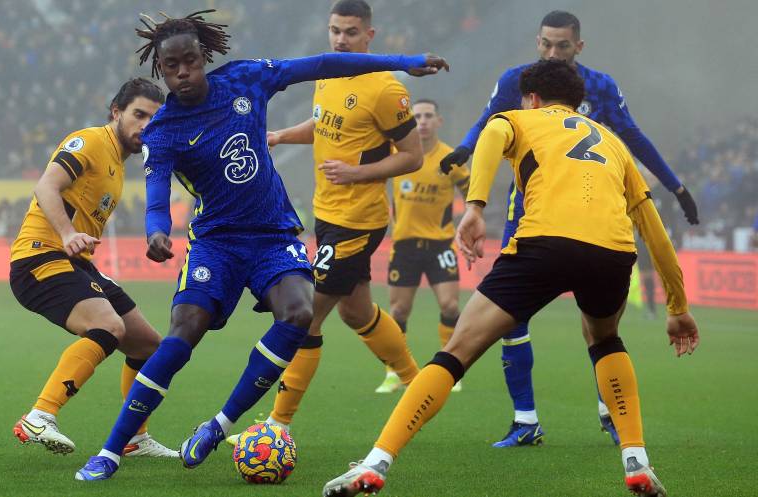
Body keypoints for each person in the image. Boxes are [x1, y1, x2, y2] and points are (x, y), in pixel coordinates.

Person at [74, 8, 448, 481]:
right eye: (173, 67)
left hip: (273, 236)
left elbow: (319, 65)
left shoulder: (246, 79)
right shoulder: (163, 130)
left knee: (298, 314)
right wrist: (156, 231)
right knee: (183, 332)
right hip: (216, 243)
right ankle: (110, 450)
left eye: (190, 60)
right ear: (161, 70)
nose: (184, 72)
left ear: (202, 56)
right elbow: (155, 195)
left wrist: (404, 60)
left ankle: (219, 424)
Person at [322, 59, 700, 497]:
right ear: (578, 101)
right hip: (613, 253)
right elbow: (653, 226)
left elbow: (491, 136)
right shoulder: (614, 144)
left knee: (456, 351)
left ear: (532, 98)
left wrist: (476, 207)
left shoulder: (519, 118)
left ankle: (376, 463)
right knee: (605, 339)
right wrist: (678, 307)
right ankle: (636, 461)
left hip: (544, 244)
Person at [439, 10, 700, 447]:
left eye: (562, 45)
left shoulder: (599, 87)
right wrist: (464, 149)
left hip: (591, 212)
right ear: (537, 42)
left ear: (579, 47)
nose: (553, 53)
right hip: (527, 210)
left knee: (599, 322)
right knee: (510, 319)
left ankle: (611, 413)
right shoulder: (516, 80)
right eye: (545, 44)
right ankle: (525, 421)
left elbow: (633, 136)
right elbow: (489, 123)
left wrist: (676, 186)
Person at [229, 0, 430, 441]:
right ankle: (418, 383)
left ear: (370, 37)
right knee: (357, 311)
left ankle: (276, 426)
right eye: (336, 30)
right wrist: (284, 135)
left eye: (352, 32)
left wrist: (357, 173)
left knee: (306, 317)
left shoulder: (386, 89)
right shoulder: (328, 73)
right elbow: (325, 125)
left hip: (358, 221)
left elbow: (414, 157)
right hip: (328, 214)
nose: (341, 39)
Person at [9, 78, 177, 457]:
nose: (145, 126)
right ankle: (40, 415)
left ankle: (134, 439)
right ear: (116, 112)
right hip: (40, 256)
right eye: (138, 115)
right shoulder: (89, 140)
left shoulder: (117, 162)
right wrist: (68, 234)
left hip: (77, 263)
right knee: (108, 326)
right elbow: (46, 187)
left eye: (154, 118)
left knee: (148, 344)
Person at [375, 98, 469, 394]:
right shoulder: (398, 154)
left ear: (439, 121)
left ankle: (451, 371)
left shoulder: (450, 159)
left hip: (440, 245)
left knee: (450, 305)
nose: (424, 121)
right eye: (418, 116)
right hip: (404, 246)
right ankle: (393, 373)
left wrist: (471, 219)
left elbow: (472, 193)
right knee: (399, 311)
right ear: (411, 122)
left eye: (429, 115)